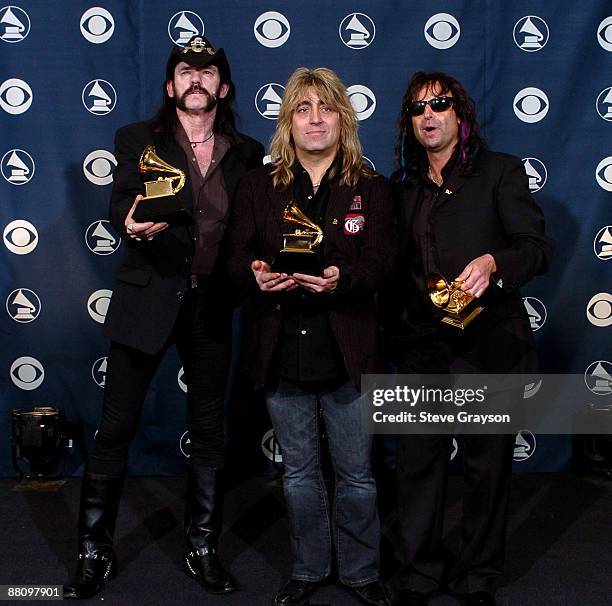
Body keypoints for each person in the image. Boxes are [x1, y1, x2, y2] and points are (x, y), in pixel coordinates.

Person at [63, 35, 264, 599]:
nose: (195, 79)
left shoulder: (247, 152)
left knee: (207, 430)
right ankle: (93, 552)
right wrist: (129, 222)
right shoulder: (137, 139)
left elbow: (254, 227)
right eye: (185, 70)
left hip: (212, 305)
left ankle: (203, 548)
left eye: (206, 72)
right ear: (171, 85)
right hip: (148, 298)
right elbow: (120, 204)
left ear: (223, 87)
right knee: (115, 429)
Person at [225, 67, 396, 606]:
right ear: (287, 122)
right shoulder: (258, 184)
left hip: (348, 351)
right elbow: (233, 255)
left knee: (357, 476)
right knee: (299, 475)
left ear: (343, 118)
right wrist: (252, 273)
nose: (315, 118)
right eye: (303, 109)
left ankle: (362, 573)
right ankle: (308, 568)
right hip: (281, 348)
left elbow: (384, 261)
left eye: (325, 108)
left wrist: (345, 279)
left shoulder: (372, 187)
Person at [383, 71, 553, 606]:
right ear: (409, 123)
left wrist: (494, 263)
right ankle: (418, 575)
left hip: (485, 343)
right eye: (417, 109)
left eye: (439, 104)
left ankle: (478, 576)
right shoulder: (401, 186)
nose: (428, 115)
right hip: (419, 346)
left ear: (461, 113)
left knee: (485, 466)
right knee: (416, 465)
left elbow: (537, 247)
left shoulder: (500, 173)